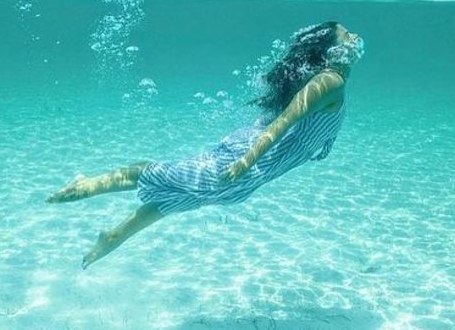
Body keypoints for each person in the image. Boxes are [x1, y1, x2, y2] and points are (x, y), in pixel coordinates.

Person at [46, 21, 364, 269]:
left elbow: (312, 125)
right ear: (330, 50)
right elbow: (282, 125)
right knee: (160, 179)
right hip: (244, 167)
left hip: (250, 171)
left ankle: (105, 219)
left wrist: (326, 144)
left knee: (172, 194)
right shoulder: (330, 80)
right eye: (346, 34)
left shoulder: (333, 82)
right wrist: (244, 163)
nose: (354, 37)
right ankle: (94, 200)